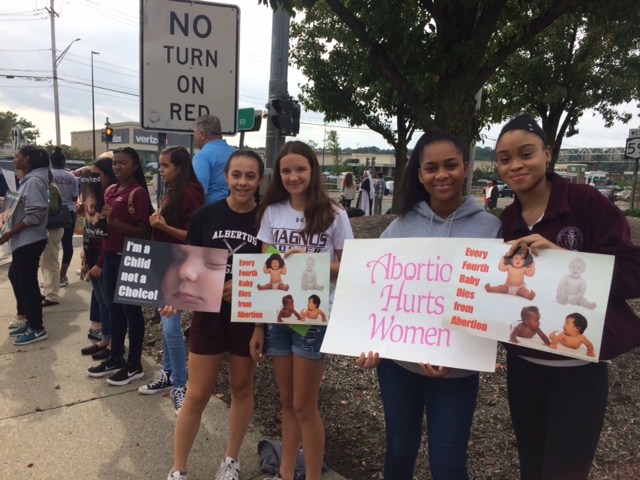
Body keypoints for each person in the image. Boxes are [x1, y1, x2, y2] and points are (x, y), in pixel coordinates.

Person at [496, 113, 640, 480]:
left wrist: (565, 259)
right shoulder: (507, 221)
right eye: (505, 159)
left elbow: (633, 271)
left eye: (526, 154)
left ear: (547, 153)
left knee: (565, 472)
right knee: (531, 467)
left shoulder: (585, 202)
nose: (515, 165)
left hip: (579, 370)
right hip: (523, 367)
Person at [356, 130, 501, 480]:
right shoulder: (400, 227)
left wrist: (461, 353)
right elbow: (373, 290)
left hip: (457, 371)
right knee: (399, 451)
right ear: (420, 174)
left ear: (466, 167)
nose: (442, 175)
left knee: (448, 464)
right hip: (399, 367)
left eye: (451, 165)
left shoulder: (491, 229)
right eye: (432, 168)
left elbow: (496, 304)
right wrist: (365, 341)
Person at [255, 140, 354, 480]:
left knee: (304, 405)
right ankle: (285, 473)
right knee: (286, 402)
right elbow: (264, 267)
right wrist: (257, 326)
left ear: (313, 170)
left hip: (313, 317)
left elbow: (350, 266)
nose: (293, 176)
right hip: (278, 316)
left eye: (300, 169)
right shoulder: (272, 212)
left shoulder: (335, 214)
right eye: (286, 171)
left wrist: (310, 262)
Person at [166, 150, 264, 480]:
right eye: (236, 175)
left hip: (247, 315)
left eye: (250, 176)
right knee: (196, 394)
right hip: (208, 314)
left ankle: (231, 460)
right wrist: (175, 298)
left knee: (241, 386)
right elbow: (188, 266)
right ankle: (178, 469)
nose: (242, 182)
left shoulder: (267, 219)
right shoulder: (206, 215)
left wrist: (245, 285)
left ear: (260, 180)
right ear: (226, 177)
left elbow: (276, 269)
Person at [136, 146, 205, 411]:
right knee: (166, 322)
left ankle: (180, 383)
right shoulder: (173, 189)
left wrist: (163, 226)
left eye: (165, 165)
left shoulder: (190, 192)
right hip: (164, 262)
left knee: (170, 327)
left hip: (179, 264)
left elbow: (195, 236)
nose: (161, 170)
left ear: (180, 167)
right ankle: (169, 374)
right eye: (160, 165)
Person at [86, 147, 153, 386]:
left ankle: (134, 364)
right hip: (111, 257)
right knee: (113, 310)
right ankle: (116, 357)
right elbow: (105, 230)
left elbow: (143, 232)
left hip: (130, 257)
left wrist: (114, 221)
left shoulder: (138, 194)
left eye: (123, 163)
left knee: (131, 312)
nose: (117, 167)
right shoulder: (111, 190)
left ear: (135, 166)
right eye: (115, 163)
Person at [2, 146, 50, 345]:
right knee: (18, 278)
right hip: (23, 241)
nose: (15, 160)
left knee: (28, 284)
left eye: (17, 157)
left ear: (27, 159)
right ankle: (30, 321)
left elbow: (35, 215)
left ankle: (37, 327)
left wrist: (9, 233)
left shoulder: (34, 181)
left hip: (29, 240)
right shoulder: (29, 180)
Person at [79, 155, 117, 360]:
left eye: (97, 175)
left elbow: (110, 235)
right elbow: (89, 229)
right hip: (92, 251)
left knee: (109, 302)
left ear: (108, 176)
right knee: (101, 300)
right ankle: (106, 338)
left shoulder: (110, 199)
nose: (92, 179)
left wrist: (101, 262)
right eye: (90, 175)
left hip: (104, 254)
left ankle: (113, 343)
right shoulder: (93, 196)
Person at [50, 146, 78, 286]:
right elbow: (75, 197)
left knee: (51, 245)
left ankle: (52, 276)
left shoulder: (48, 175)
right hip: (68, 213)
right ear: (64, 162)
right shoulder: (71, 176)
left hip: (52, 214)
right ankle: (62, 275)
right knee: (67, 244)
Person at [192, 114, 236, 204]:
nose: (194, 137)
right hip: (238, 208)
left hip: (213, 209)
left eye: (195, 133)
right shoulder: (237, 153)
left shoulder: (202, 157)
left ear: (203, 134)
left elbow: (199, 194)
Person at [40, 171, 66, 307]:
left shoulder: (50, 188)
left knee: (50, 263)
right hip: (50, 230)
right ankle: (49, 291)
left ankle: (52, 295)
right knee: (46, 262)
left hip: (51, 230)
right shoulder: (49, 187)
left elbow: (53, 208)